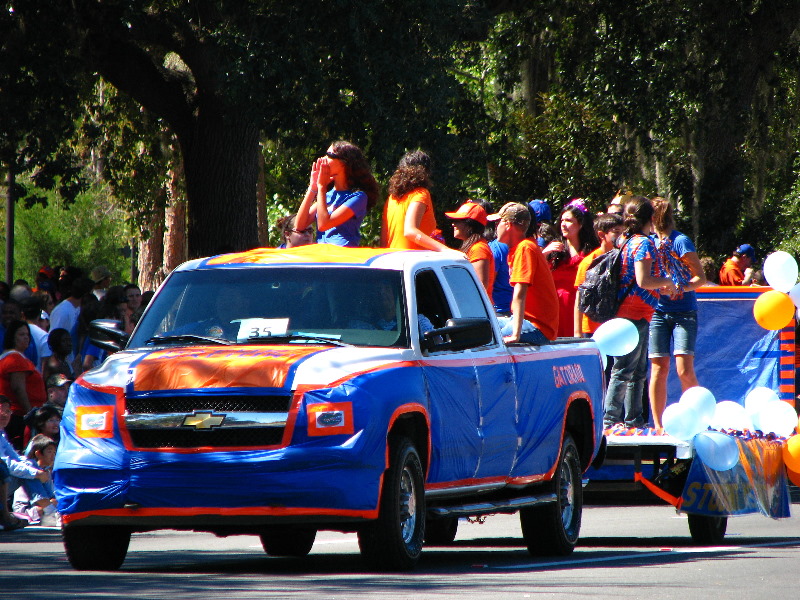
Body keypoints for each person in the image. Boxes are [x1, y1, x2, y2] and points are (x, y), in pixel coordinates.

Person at [603, 196, 677, 430]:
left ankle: (633, 419)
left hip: (634, 313)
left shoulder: (625, 240)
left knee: (636, 372)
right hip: (633, 313)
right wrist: (668, 281)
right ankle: (611, 420)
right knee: (625, 369)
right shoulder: (643, 243)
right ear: (652, 218)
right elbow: (643, 280)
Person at [647, 197, 707, 431]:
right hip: (658, 312)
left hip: (684, 311)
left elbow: (700, 278)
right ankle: (659, 425)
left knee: (683, 369)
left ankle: (697, 420)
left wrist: (680, 287)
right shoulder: (648, 242)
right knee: (658, 368)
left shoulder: (680, 241)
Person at [488, 202, 559, 344]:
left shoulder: (525, 248)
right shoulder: (521, 247)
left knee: (488, 339)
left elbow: (520, 293)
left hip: (538, 327)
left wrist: (515, 335)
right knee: (483, 328)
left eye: (498, 223)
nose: (496, 228)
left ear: (507, 224)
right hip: (522, 320)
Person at [295, 141, 379, 247]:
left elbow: (324, 224)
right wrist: (313, 187)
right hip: (324, 256)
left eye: (329, 155)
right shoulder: (326, 195)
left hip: (342, 257)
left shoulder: (358, 197)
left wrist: (321, 187)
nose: (323, 159)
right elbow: (299, 225)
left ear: (344, 163)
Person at [544, 199, 599, 338]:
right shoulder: (554, 249)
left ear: (580, 224)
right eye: (562, 220)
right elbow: (538, 273)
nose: (563, 224)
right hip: (556, 308)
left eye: (568, 220)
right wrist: (544, 253)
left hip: (580, 308)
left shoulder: (591, 252)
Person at [381, 150, 449, 251]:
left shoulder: (392, 198)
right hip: (413, 261)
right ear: (426, 172)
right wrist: (445, 249)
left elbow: (384, 240)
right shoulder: (421, 194)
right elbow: (410, 231)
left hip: (392, 260)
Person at [0, 395, 51, 529]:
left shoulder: (2, 434)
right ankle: (50, 510)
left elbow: (17, 458)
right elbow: (7, 464)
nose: (5, 414)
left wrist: (35, 470)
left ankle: (50, 508)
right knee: (30, 471)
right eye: (1, 410)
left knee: (31, 465)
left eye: (8, 411)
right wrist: (35, 474)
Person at [574, 213, 624, 337]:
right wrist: (577, 331)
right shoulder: (589, 262)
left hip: (617, 326)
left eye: (624, 232)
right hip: (592, 327)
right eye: (616, 232)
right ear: (602, 235)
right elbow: (580, 296)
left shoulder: (624, 258)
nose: (622, 237)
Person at [0, 321, 47, 449]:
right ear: (12, 337)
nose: (26, 337)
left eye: (27, 335)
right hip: (18, 417)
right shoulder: (15, 359)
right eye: (21, 334)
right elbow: (18, 388)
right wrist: (30, 414)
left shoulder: (17, 357)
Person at [445, 201, 495, 299]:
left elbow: (480, 289)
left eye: (457, 221)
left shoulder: (479, 249)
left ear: (470, 224)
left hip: (476, 311)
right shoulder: (473, 246)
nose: (453, 224)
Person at [12, 434, 58, 526]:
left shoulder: (46, 471)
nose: (53, 456)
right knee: (33, 470)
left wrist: (52, 502)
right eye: (49, 452)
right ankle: (50, 512)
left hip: (42, 506)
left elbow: (51, 496)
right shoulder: (30, 467)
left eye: (54, 452)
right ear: (38, 453)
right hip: (25, 510)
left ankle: (50, 512)